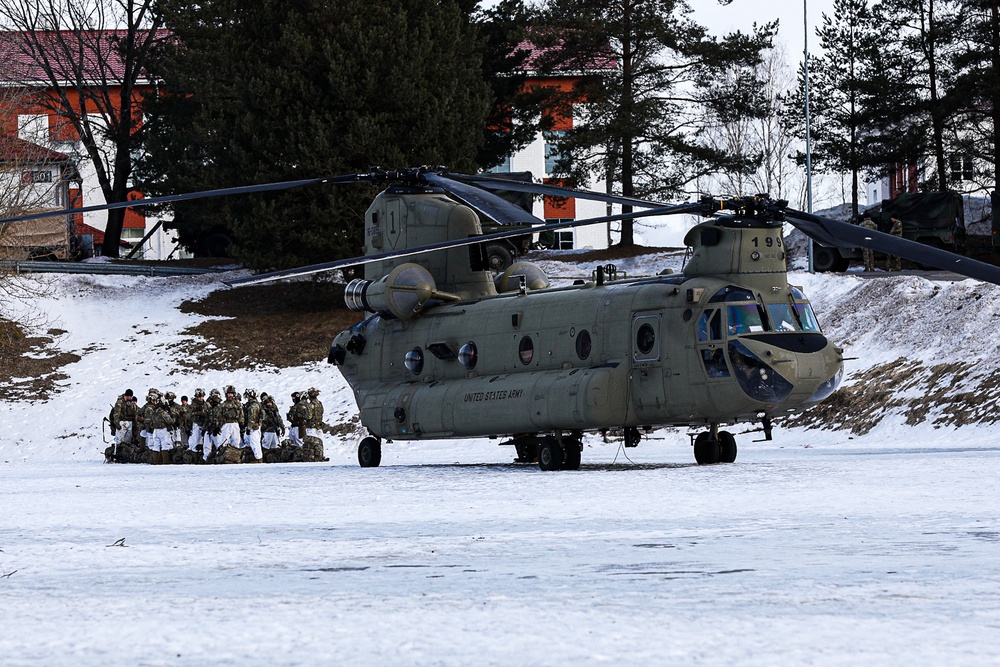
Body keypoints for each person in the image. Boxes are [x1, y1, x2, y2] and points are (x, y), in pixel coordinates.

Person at [217, 385, 245, 451]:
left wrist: (242, 424)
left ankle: (235, 457)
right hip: (226, 424)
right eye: (229, 394)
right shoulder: (222, 405)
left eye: (231, 394)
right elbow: (219, 416)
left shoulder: (237, 405)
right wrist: (218, 426)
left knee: (236, 442)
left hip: (235, 424)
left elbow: (241, 415)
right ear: (226, 394)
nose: (230, 395)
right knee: (223, 442)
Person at [111, 389, 138, 454]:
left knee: (128, 439)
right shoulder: (120, 402)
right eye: (128, 396)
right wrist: (117, 423)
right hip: (122, 422)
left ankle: (125, 454)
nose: (130, 398)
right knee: (119, 440)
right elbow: (116, 413)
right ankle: (117, 454)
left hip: (129, 422)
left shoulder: (130, 402)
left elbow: (134, 412)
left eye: (131, 397)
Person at [242, 388, 264, 462]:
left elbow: (252, 417)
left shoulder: (253, 405)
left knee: (255, 442)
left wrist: (248, 428)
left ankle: (258, 458)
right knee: (250, 441)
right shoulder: (252, 404)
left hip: (253, 427)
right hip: (253, 426)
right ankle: (254, 456)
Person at [188, 388, 207, 455]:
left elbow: (209, 413)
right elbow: (189, 415)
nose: (201, 398)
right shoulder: (193, 405)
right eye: (199, 397)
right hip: (196, 425)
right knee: (195, 442)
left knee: (205, 442)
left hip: (204, 425)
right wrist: (197, 413)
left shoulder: (206, 404)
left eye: (202, 397)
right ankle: (195, 458)